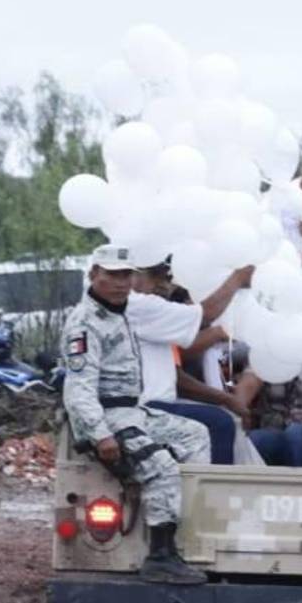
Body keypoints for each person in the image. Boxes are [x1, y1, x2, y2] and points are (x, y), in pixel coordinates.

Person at [61, 244, 250, 584]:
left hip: (133, 410)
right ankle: (159, 556)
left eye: (124, 275)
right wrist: (100, 434)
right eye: (110, 275)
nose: (119, 283)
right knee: (159, 465)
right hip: (107, 416)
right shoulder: (85, 323)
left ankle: (191, 538)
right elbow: (79, 388)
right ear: (93, 275)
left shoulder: (123, 311)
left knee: (195, 434)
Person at [132, 261, 252, 464]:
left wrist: (225, 399)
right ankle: (216, 493)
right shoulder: (139, 305)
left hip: (156, 405)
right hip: (146, 407)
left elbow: (175, 377)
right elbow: (207, 313)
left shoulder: (146, 312)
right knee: (219, 422)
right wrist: (239, 277)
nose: (164, 284)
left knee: (221, 418)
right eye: (155, 275)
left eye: (166, 276)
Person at [236, 373, 302, 467]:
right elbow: (250, 380)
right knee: (256, 439)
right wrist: (237, 410)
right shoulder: (269, 355)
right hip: (277, 431)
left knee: (297, 433)